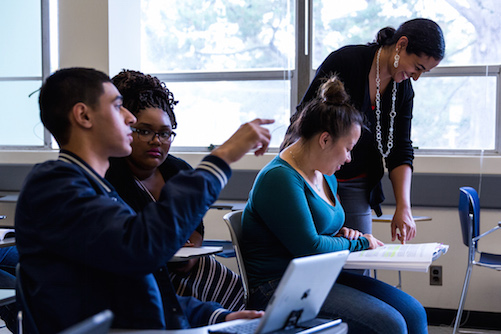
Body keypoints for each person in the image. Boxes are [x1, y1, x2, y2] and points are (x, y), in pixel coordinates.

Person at [14, 67, 271, 333]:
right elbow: (141, 247)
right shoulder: (55, 186)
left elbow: (139, 295)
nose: (129, 118)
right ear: (84, 115)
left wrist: (218, 316)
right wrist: (223, 156)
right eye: (118, 107)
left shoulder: (98, 190)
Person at [242, 76, 428, 333]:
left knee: (413, 312)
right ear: (325, 140)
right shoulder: (280, 178)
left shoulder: (325, 172)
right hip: (279, 285)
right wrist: (360, 241)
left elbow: (318, 233)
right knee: (390, 324)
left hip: (318, 274)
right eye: (348, 148)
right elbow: (310, 246)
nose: (349, 158)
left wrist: (342, 233)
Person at [281, 18, 445, 243]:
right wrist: (319, 183)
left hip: (358, 182)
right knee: (319, 251)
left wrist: (403, 207)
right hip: (316, 174)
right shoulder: (346, 61)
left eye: (423, 72)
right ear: (401, 45)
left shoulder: (403, 90)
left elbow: (400, 150)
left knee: (360, 255)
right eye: (417, 67)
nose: (416, 77)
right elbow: (304, 122)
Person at [105, 69, 245, 311]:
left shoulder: (179, 170)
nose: (156, 141)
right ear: (126, 128)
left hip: (191, 266)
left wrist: (191, 249)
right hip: (143, 276)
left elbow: (195, 225)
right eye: (145, 131)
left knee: (236, 295)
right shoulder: (110, 178)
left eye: (165, 133)